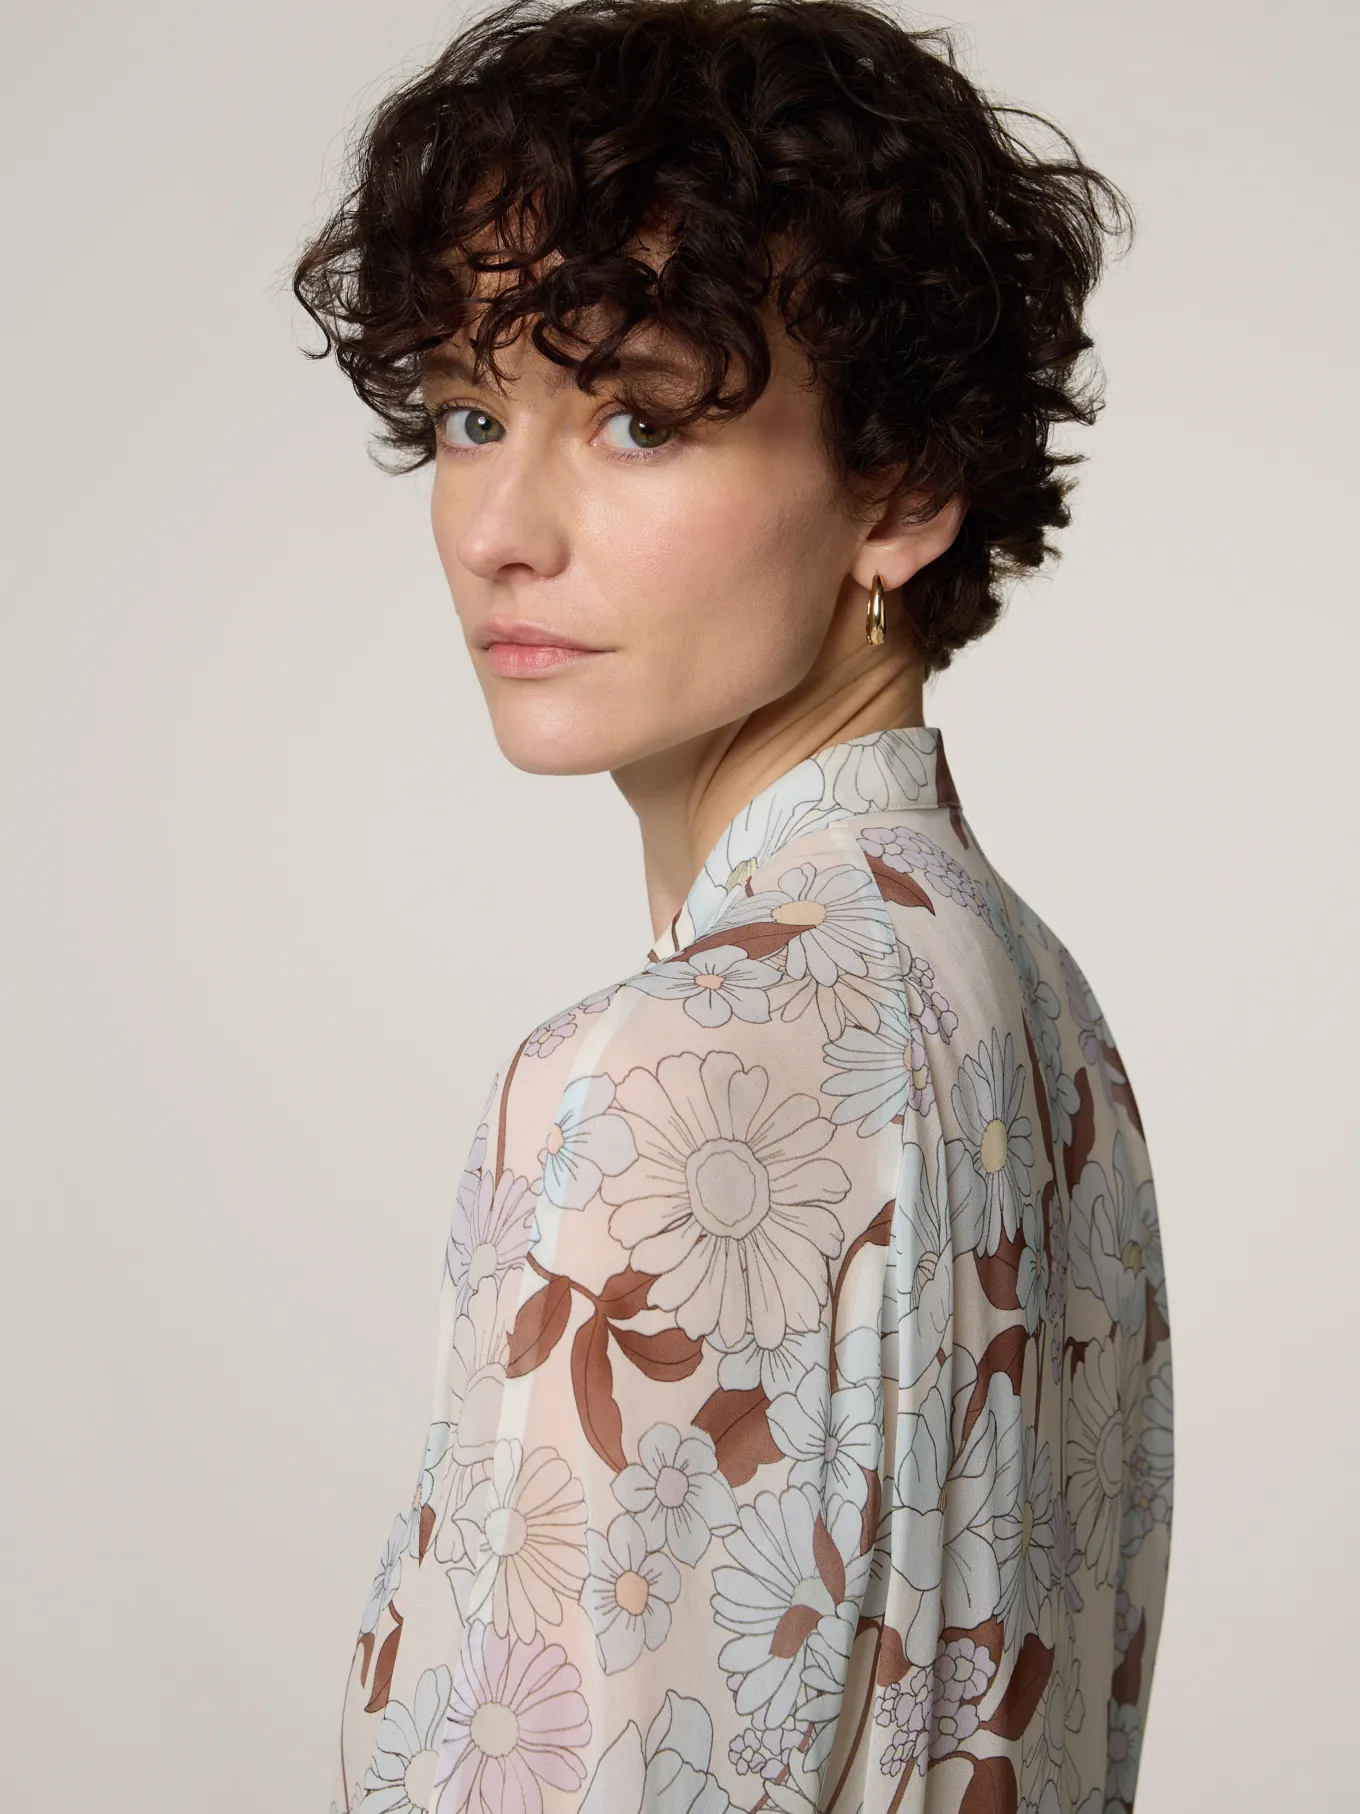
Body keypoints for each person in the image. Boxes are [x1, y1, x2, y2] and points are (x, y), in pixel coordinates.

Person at [291, 2, 1172, 1809]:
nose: (499, 529)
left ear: (902, 483)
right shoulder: (1036, 1007)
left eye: (636, 417)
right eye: (469, 412)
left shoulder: (660, 1074)